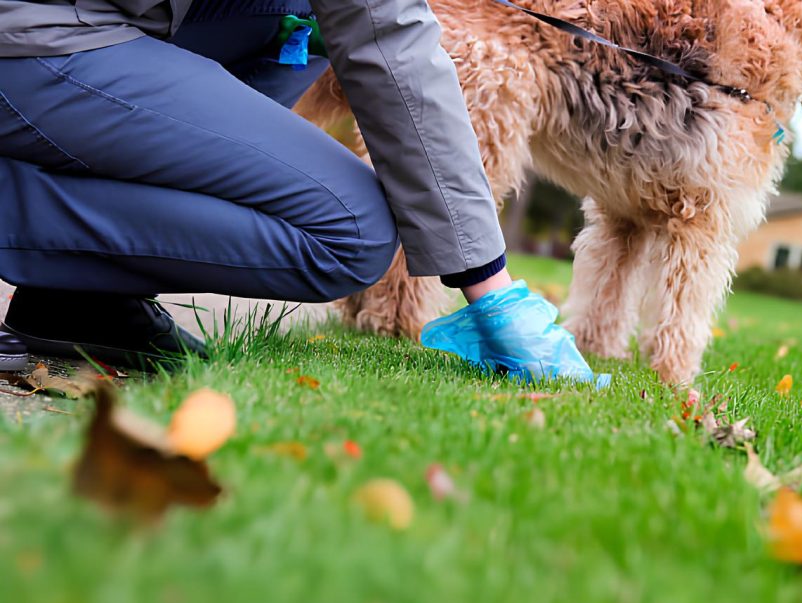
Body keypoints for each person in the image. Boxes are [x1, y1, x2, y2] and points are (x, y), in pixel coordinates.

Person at [0, 0, 596, 381]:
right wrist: (490, 287)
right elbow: (386, 33)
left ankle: (75, 297)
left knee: (297, 24)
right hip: (34, 32)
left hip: (107, 22)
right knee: (350, 232)